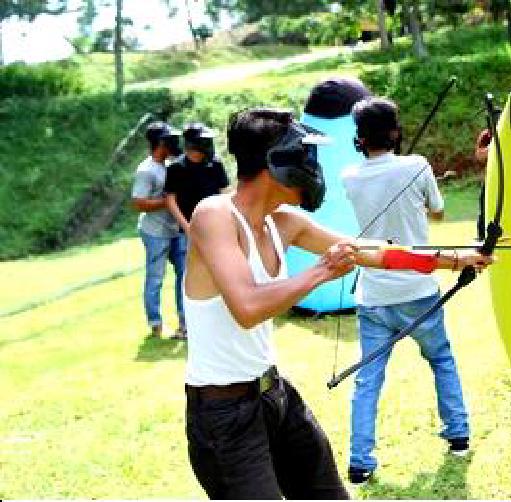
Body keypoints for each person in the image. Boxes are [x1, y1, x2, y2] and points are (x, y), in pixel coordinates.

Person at [183, 107, 491, 499]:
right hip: (224, 416)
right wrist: (323, 272)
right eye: (304, 154)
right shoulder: (214, 215)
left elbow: (370, 251)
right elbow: (247, 307)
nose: (312, 166)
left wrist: (450, 259)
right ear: (277, 161)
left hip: (273, 394)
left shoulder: (284, 223)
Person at [341, 97, 475, 485]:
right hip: (418, 289)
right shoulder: (416, 167)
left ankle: (360, 461)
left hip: (374, 295)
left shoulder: (350, 175)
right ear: (395, 132)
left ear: (360, 138)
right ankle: (459, 435)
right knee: (441, 359)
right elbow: (439, 211)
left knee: (368, 379)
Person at [130, 121, 187, 339]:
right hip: (155, 232)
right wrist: (168, 202)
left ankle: (184, 322)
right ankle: (155, 323)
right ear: (160, 143)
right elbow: (138, 203)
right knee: (155, 278)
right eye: (169, 139)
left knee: (184, 275)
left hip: (175, 230)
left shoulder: (172, 165)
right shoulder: (146, 171)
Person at [164, 122, 231, 234]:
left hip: (214, 224)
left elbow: (224, 193)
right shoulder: (176, 168)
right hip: (188, 227)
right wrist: (187, 227)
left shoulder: (215, 164)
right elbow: (171, 200)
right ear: (191, 144)